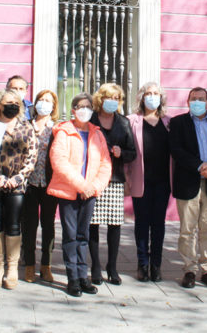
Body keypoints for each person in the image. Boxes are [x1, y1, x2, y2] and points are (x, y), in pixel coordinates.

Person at [47, 93, 112, 297]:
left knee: (84, 235)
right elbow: (59, 162)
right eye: (79, 106)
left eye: (88, 106)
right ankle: (72, 278)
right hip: (69, 192)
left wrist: (94, 187)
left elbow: (105, 163)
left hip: (90, 193)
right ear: (73, 109)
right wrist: (82, 185)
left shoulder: (97, 134)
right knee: (71, 236)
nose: (84, 109)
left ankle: (83, 276)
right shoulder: (64, 132)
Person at [170, 87, 207, 289]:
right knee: (187, 230)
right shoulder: (178, 123)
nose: (197, 102)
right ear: (188, 102)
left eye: (201, 99)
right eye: (193, 99)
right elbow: (176, 150)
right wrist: (198, 165)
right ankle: (189, 269)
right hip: (188, 182)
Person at [0, 89, 37, 290]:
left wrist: (18, 177)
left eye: (16, 102)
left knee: (14, 224)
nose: (13, 104)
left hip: (17, 184)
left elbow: (32, 156)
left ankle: (12, 268)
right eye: (9, 101)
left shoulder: (26, 127)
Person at [88, 83, 137, 285]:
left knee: (114, 224)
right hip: (92, 178)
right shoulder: (90, 120)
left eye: (117, 98)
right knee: (92, 223)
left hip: (115, 179)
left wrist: (121, 153)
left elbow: (132, 152)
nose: (113, 101)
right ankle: (95, 266)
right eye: (109, 97)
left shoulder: (124, 123)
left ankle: (112, 266)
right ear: (101, 98)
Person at [126, 82, 172, 283]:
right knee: (142, 224)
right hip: (140, 180)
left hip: (163, 181)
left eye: (156, 94)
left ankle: (156, 265)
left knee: (159, 224)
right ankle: (142, 263)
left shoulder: (169, 122)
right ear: (141, 97)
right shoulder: (132, 121)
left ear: (161, 98)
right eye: (148, 93)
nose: (152, 97)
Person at [21, 89, 60, 283]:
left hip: (49, 184)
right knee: (29, 225)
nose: (44, 104)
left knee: (48, 225)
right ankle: (29, 265)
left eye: (48, 101)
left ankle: (46, 265)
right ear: (35, 103)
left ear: (53, 106)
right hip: (28, 183)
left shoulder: (56, 128)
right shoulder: (26, 126)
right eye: (41, 100)